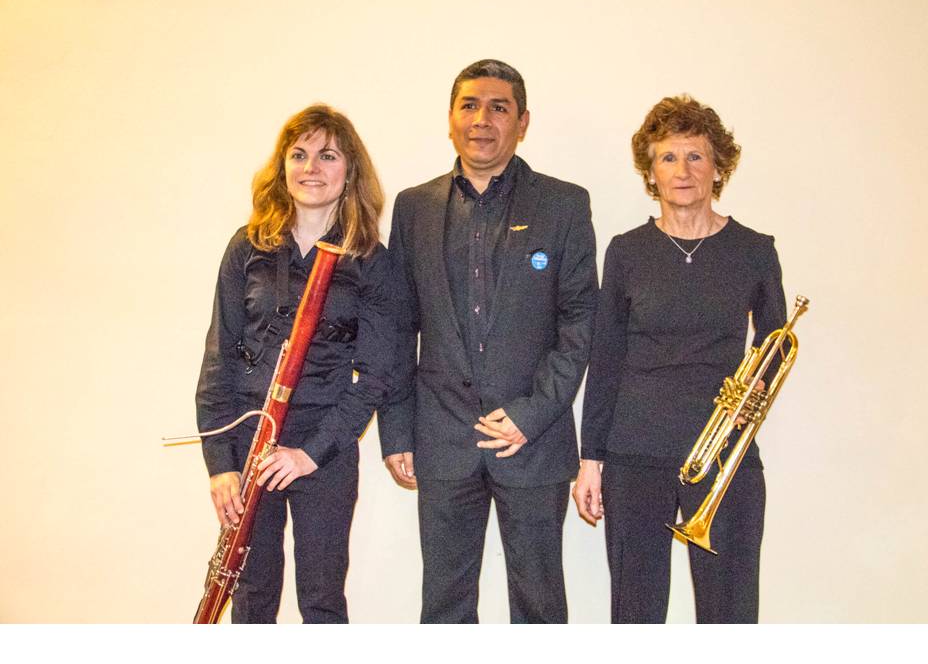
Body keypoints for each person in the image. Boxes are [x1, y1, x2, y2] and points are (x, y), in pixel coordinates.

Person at [378, 59, 598, 623]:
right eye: (470, 106)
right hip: (441, 438)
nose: (482, 119)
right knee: (444, 609)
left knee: (539, 608)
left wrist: (532, 413)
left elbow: (579, 323)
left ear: (522, 123)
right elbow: (398, 328)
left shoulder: (564, 204)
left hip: (532, 441)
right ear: (451, 118)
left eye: (499, 108)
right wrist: (397, 430)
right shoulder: (413, 207)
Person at [573, 95, 787, 623]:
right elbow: (605, 360)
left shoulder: (755, 249)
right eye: (668, 157)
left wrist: (759, 386)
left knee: (730, 615)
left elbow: (776, 344)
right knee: (635, 615)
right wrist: (590, 460)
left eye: (696, 156)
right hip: (634, 455)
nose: (683, 170)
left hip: (724, 454)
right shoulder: (626, 251)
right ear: (651, 172)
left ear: (718, 168)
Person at [195, 104, 392, 623]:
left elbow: (376, 377)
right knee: (252, 597)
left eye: (327, 156)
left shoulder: (371, 259)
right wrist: (220, 464)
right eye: (299, 154)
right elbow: (218, 358)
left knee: (322, 601)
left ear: (349, 169)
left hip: (324, 446)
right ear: (282, 165)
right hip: (250, 441)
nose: (311, 168)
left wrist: (310, 454)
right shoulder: (247, 246)